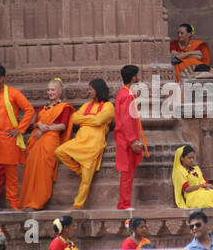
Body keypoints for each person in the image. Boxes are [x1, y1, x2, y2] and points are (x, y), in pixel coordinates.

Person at [55, 79, 114, 210]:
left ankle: (77, 205)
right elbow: (74, 118)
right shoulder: (86, 105)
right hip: (80, 140)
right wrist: (91, 120)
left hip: (94, 144)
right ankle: (79, 171)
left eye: (90, 89)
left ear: (98, 90)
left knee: (86, 181)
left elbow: (99, 121)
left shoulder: (108, 106)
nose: (88, 91)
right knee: (59, 151)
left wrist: (85, 120)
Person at [0, 65, 35, 211]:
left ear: (2, 78)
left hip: (8, 138)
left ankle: (14, 204)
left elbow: (29, 110)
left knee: (11, 174)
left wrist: (19, 129)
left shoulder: (13, 93)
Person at [20, 78, 75, 211]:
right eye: (48, 90)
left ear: (60, 91)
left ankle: (37, 202)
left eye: (53, 90)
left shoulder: (65, 107)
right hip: (37, 139)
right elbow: (36, 122)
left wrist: (46, 128)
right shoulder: (42, 108)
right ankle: (27, 201)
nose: (50, 92)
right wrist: (40, 126)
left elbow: (63, 125)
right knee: (31, 169)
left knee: (43, 170)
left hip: (50, 140)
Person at [114, 65, 149, 210]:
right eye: (137, 75)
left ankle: (124, 203)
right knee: (127, 174)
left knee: (127, 173)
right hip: (126, 139)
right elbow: (126, 120)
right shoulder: (127, 95)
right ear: (133, 77)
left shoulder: (124, 93)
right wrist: (133, 140)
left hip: (125, 138)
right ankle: (124, 204)